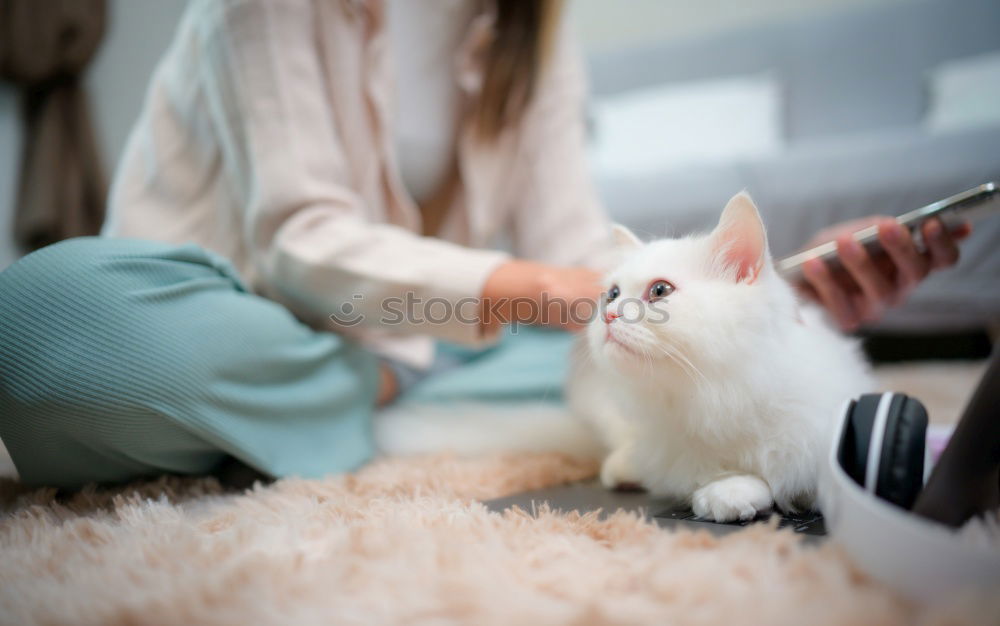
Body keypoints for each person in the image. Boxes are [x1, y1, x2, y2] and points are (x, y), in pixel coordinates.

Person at [0, 0, 966, 488]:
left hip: (417, 346)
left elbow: (576, 247)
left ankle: (311, 417)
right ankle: (336, 400)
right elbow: (302, 240)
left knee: (638, 367)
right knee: (46, 320)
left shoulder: (530, 29)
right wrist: (543, 290)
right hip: (261, 321)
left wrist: (768, 304)